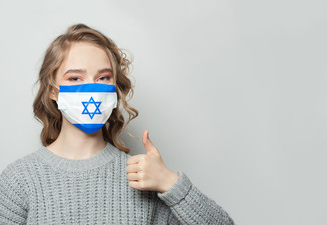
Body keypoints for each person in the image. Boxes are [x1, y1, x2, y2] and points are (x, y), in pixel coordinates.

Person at [0, 23, 235, 224]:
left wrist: (170, 183)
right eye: (74, 78)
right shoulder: (20, 179)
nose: (92, 86)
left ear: (114, 89)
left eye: (103, 77)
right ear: (53, 90)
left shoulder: (141, 177)